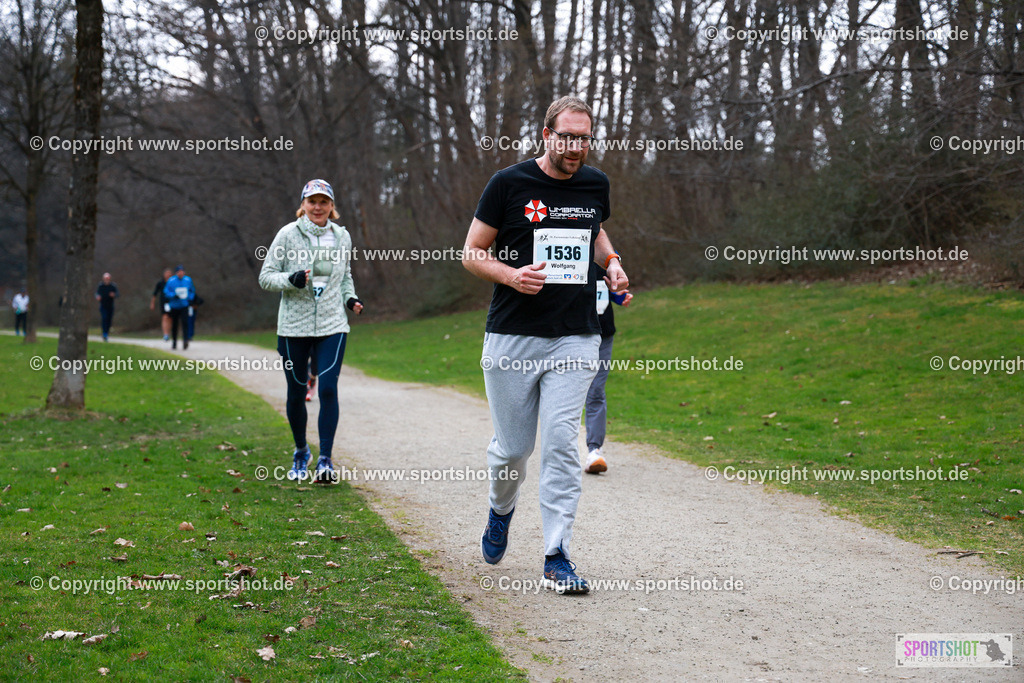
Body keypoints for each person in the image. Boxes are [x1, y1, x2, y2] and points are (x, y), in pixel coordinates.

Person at [462, 96, 629, 595]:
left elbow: (594, 229)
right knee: (513, 450)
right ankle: (500, 510)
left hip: (577, 335)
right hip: (513, 335)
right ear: (547, 133)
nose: (576, 146)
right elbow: (471, 253)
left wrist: (613, 261)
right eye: (568, 136)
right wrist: (511, 275)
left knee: (560, 444)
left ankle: (557, 554)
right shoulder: (508, 184)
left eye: (584, 137)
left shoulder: (595, 183)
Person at [258, 179, 363, 483]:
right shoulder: (288, 235)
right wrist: (290, 280)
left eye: (324, 202)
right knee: (296, 391)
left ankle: (326, 459)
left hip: (332, 324)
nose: (318, 208)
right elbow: (266, 278)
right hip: (293, 326)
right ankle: (301, 451)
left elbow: (345, 277)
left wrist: (350, 299)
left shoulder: (342, 237)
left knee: (328, 388)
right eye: (312, 202)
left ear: (332, 206)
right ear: (303, 205)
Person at [584, 264, 633, 474]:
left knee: (595, 391)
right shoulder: (566, 247)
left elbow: (606, 288)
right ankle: (557, 450)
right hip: (571, 334)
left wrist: (617, 296)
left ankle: (594, 451)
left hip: (604, 334)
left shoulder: (607, 259)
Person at [163, 265, 195, 349]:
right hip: (174, 306)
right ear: (176, 273)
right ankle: (174, 342)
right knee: (175, 324)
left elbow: (192, 291)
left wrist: (190, 299)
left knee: (185, 323)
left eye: (182, 271)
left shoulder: (188, 280)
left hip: (184, 305)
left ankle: (185, 340)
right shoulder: (171, 281)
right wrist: (173, 295)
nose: (181, 273)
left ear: (184, 272)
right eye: (179, 271)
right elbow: (166, 292)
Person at [95, 272, 119, 341]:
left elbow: (117, 294)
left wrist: (113, 294)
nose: (107, 280)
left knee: (109, 320)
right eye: (105, 278)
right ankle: (104, 333)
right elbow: (97, 293)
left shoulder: (113, 286)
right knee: (104, 318)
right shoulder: (101, 286)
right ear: (103, 279)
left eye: (108, 278)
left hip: (110, 306)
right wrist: (97, 297)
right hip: (103, 305)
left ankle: (106, 333)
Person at [150, 268, 172, 341]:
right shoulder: (160, 283)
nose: (168, 275)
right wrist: (152, 303)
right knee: (165, 317)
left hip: (172, 302)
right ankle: (165, 334)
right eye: (166, 273)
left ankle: (169, 333)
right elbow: (155, 294)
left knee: (171, 318)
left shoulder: (173, 282)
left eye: (169, 273)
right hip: (164, 303)